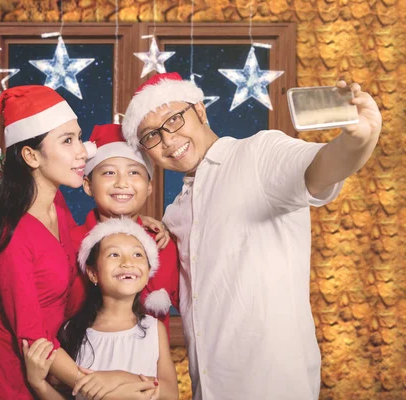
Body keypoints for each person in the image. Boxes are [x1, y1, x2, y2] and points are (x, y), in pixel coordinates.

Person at [121, 72, 381, 400]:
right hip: (210, 388)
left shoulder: (259, 154)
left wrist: (358, 140)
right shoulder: (174, 213)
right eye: (151, 136)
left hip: (274, 385)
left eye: (174, 119)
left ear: (200, 111)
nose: (169, 140)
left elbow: (321, 169)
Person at [0, 85, 90, 399]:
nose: (82, 151)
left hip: (45, 378)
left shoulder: (56, 205)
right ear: (31, 156)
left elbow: (81, 250)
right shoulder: (14, 236)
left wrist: (132, 224)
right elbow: (34, 339)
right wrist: (96, 385)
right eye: (67, 141)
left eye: (79, 137)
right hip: (2, 385)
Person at [24, 218, 179, 400]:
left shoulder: (154, 329)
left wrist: (118, 378)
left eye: (137, 255)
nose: (127, 262)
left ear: (148, 272)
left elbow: (170, 394)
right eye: (114, 255)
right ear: (92, 273)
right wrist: (39, 385)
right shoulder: (71, 331)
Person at [67, 123, 180, 334]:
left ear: (149, 187)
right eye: (109, 173)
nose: (122, 183)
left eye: (134, 172)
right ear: (88, 185)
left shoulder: (164, 245)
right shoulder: (68, 243)